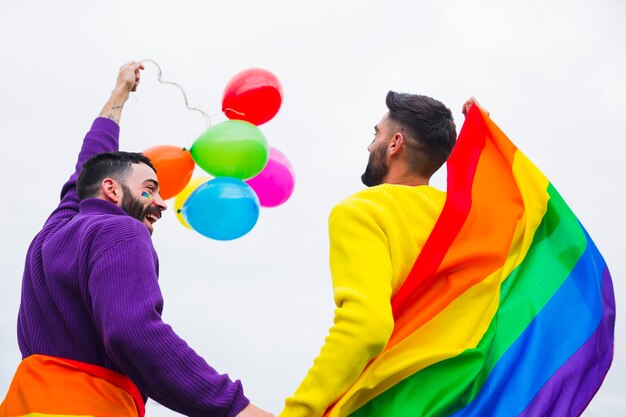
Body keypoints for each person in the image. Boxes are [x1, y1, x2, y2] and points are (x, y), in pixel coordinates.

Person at [1, 62, 273, 417]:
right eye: (150, 190)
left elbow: (85, 171)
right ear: (111, 190)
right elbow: (133, 331)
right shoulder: (120, 229)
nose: (161, 202)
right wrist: (235, 407)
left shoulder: (52, 233)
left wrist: (118, 95)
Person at [278, 92, 484, 417]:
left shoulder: (362, 212)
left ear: (395, 144)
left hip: (394, 402)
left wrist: (298, 412)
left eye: (376, 134)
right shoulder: (469, 220)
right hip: (472, 400)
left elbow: (366, 326)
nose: (370, 145)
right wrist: (485, 139)